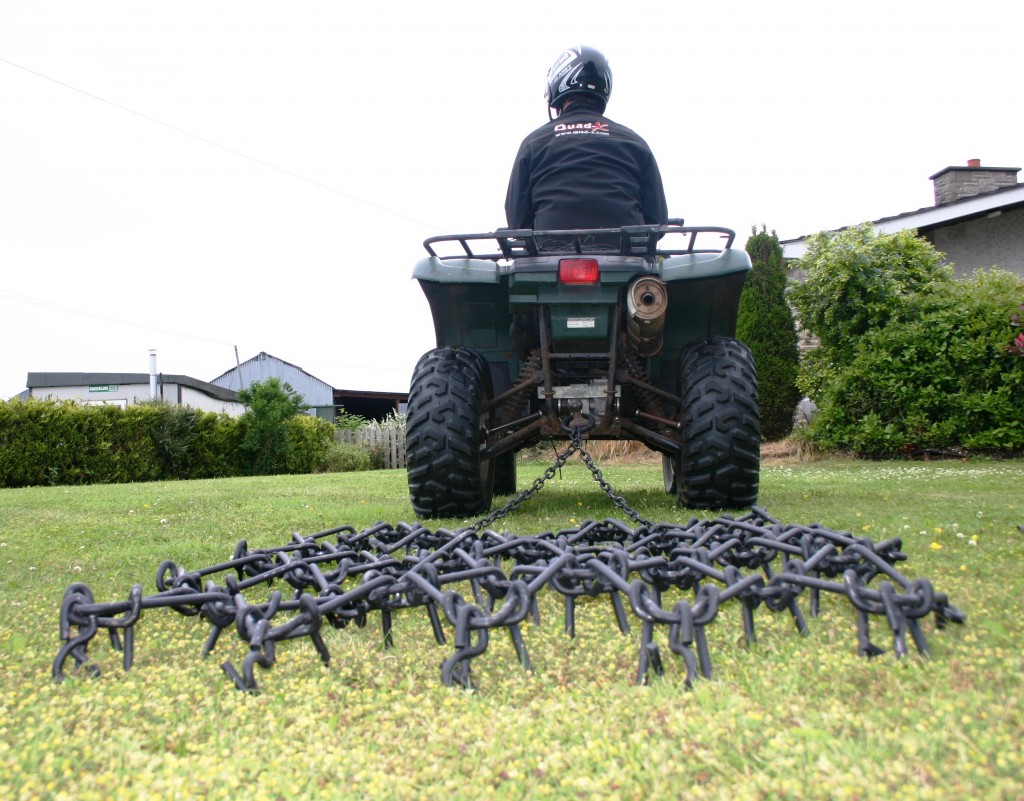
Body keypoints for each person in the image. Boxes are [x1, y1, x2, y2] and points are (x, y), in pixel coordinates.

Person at [504, 46, 669, 244]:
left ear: (557, 81)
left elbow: (517, 222)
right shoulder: (634, 142)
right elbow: (657, 220)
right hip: (626, 260)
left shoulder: (534, 142)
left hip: (549, 256)